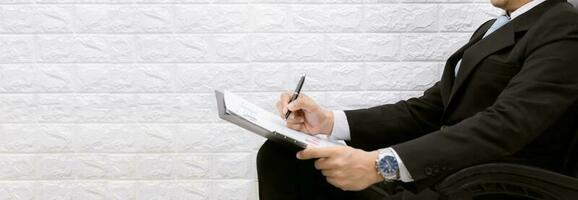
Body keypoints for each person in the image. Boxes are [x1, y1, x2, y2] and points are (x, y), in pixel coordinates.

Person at [256, 0, 578, 199]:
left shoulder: (563, 26)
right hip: (437, 180)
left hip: (483, 188)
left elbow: (504, 125)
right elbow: (427, 110)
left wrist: (380, 165)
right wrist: (329, 122)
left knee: (287, 166)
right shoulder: (490, 29)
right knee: (283, 155)